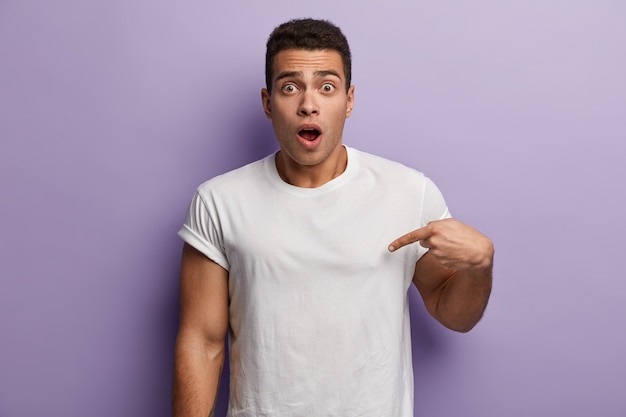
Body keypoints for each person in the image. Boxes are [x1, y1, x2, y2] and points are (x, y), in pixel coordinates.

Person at [173, 18, 493, 417]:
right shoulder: (219, 201)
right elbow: (202, 343)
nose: (309, 104)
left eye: (327, 87)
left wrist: (481, 265)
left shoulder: (409, 193)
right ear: (268, 103)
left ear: (349, 99)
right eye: (290, 87)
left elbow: (454, 314)